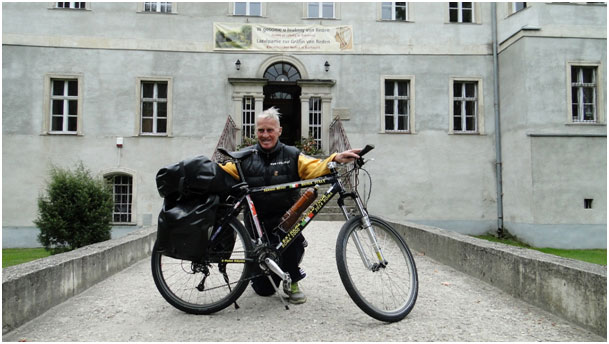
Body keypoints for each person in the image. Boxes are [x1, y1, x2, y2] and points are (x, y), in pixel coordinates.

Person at [219, 107, 360, 304]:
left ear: (279, 131)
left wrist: (334, 158)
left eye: (270, 130)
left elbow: (314, 166)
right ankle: (267, 273)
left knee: (291, 239)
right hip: (257, 225)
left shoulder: (292, 155)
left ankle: (293, 279)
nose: (265, 135)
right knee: (264, 290)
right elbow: (222, 171)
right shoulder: (245, 158)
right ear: (256, 132)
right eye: (261, 130)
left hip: (286, 219)